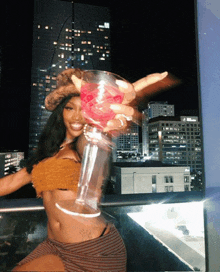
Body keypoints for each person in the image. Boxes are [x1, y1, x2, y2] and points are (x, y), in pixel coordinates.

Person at [0, 68, 168, 271]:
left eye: (83, 108)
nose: (77, 116)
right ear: (60, 111)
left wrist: (108, 120)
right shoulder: (47, 151)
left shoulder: (85, 143)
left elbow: (97, 141)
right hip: (54, 246)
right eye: (70, 108)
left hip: (93, 251)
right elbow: (10, 182)